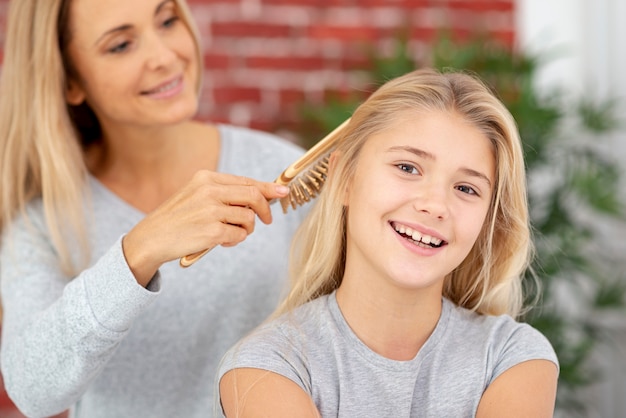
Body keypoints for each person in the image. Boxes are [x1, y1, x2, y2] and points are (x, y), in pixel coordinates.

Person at [0, 0, 309, 417]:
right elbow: (31, 390)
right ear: (71, 80)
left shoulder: (282, 170)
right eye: (121, 45)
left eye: (167, 21)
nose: (165, 57)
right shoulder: (43, 222)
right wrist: (140, 250)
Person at [218, 68, 560, 417]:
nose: (435, 205)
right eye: (408, 168)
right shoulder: (265, 366)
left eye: (466, 188)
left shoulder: (512, 356)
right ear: (344, 178)